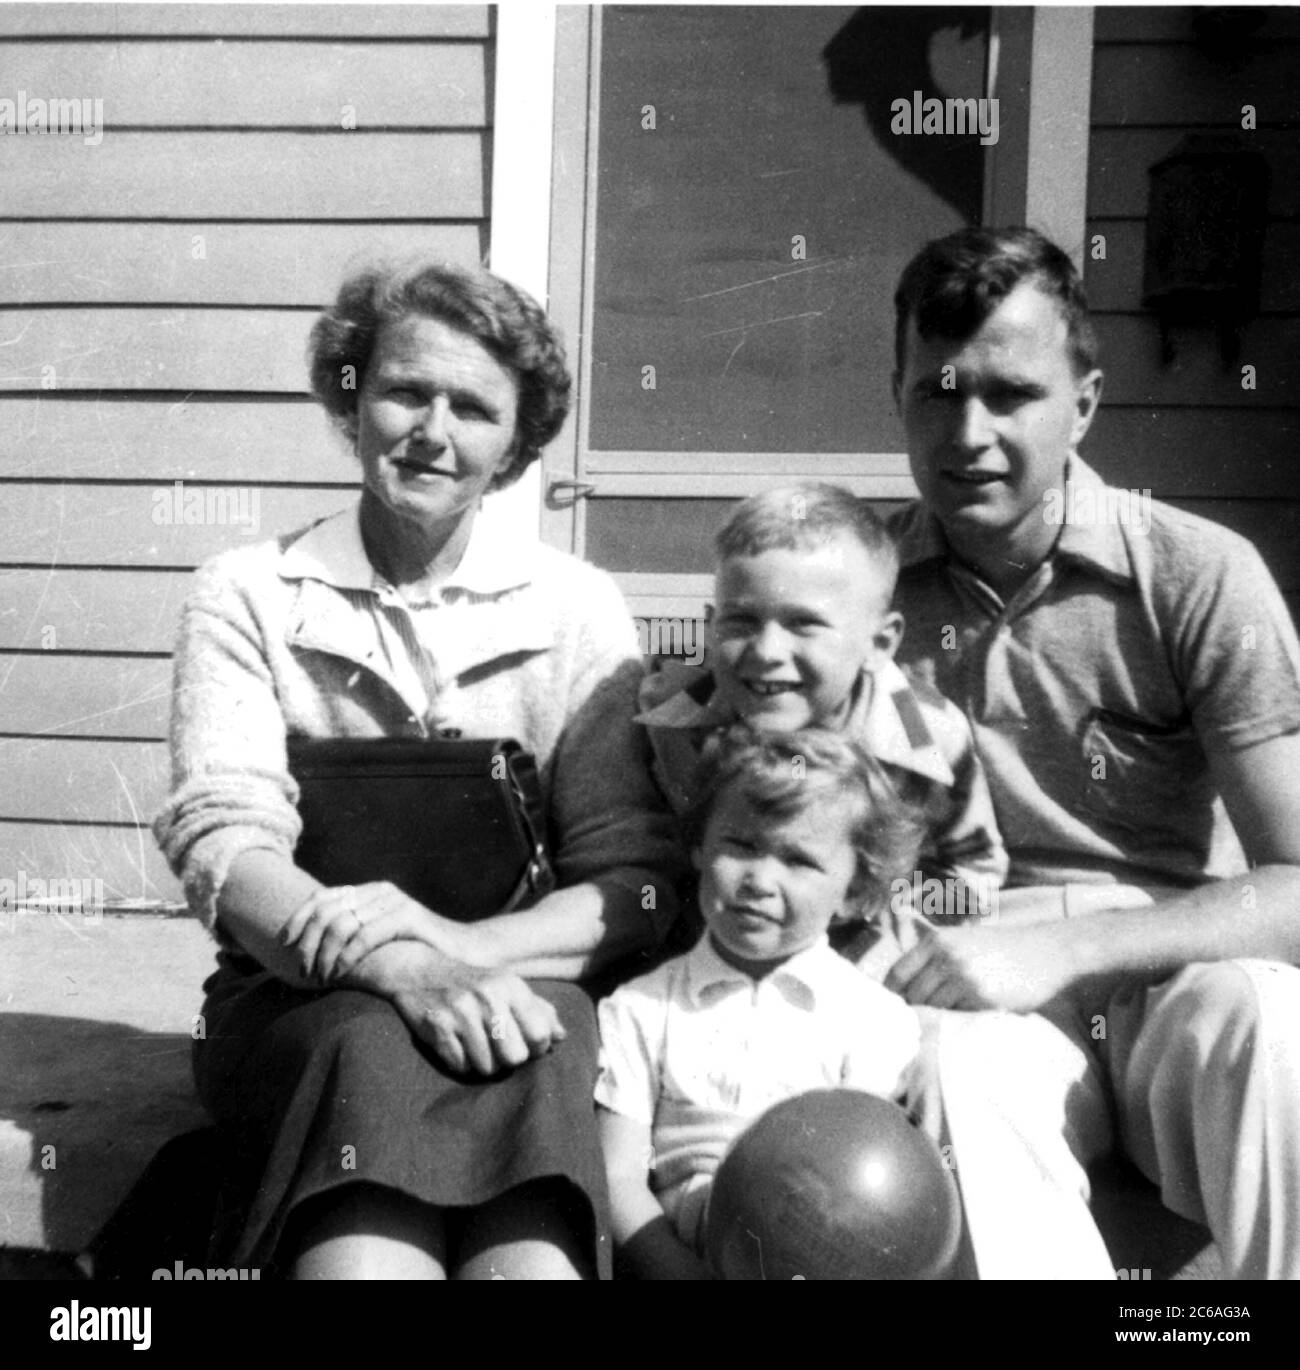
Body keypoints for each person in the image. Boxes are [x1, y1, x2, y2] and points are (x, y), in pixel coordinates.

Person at [153, 260, 684, 1280]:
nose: (432, 429)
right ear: (351, 400)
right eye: (404, 390)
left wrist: (459, 948)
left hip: (524, 984)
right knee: (366, 1057)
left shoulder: (575, 608)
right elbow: (225, 846)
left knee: (529, 1231)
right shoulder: (250, 592)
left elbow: (633, 881)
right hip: (299, 1001)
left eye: (475, 407)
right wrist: (403, 965)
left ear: (515, 446)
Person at [885, 224, 1300, 1279]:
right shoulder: (862, 587)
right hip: (974, 976)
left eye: (1010, 393)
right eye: (936, 390)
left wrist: (1066, 950)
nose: (967, 431)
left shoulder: (1194, 574)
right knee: (961, 1062)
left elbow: (1296, 884)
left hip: (1169, 972)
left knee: (1266, 1015)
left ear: (1085, 402)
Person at [595, 728, 928, 1278]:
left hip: (823, 1253)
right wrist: (678, 1272)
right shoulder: (641, 1007)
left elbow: (867, 1187)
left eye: (799, 860)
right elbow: (619, 1177)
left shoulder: (871, 1018)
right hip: (678, 1254)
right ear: (700, 845)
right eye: (741, 845)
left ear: (854, 891)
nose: (760, 880)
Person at [636, 482, 1007, 961]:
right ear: (711, 624)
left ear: (880, 643)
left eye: (804, 624)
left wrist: (883, 941)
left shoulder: (925, 734)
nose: (767, 653)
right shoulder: (673, 720)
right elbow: (653, 859)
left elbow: (971, 872)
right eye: (741, 621)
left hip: (868, 953)